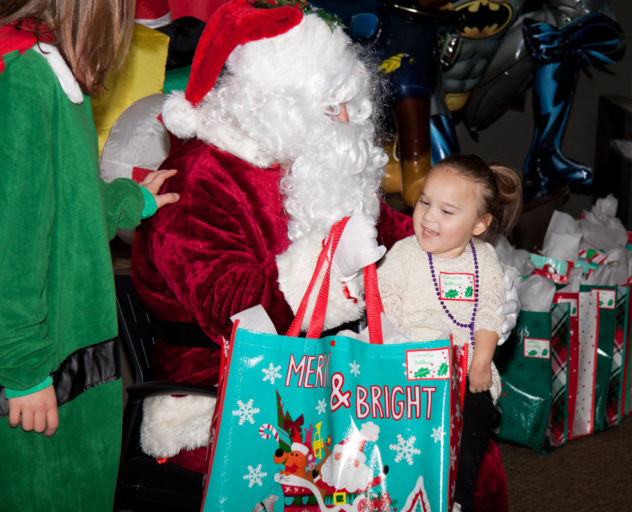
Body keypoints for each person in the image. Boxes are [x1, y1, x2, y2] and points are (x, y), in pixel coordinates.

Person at [131, 4, 519, 506]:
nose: (345, 119)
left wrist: (476, 276)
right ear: (273, 100)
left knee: (460, 438)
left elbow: (404, 233)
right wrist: (329, 268)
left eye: (349, 102)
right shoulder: (203, 176)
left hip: (335, 366)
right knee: (392, 464)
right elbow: (229, 308)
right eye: (329, 103)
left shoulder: (319, 161)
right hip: (227, 393)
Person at [0, 1, 179, 510]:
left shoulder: (50, 74)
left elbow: (65, 205)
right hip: (39, 383)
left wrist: (132, 199)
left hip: (70, 373)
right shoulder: (24, 81)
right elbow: (10, 241)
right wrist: (23, 369)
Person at [376, 153, 523, 512]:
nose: (428, 216)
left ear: (478, 224)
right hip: (409, 365)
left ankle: (460, 496)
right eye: (425, 201)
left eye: (447, 211)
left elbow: (491, 310)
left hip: (464, 365)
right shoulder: (404, 253)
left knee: (477, 410)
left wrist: (482, 362)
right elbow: (385, 308)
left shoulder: (484, 258)